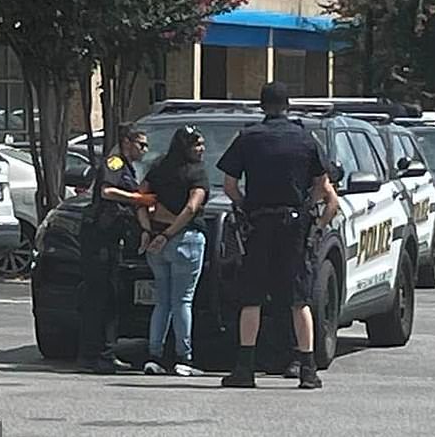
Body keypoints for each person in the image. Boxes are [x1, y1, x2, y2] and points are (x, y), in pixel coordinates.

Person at [216, 81, 338, 389]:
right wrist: (305, 208)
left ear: (262, 106)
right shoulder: (305, 139)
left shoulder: (247, 138)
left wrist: (246, 207)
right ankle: (307, 370)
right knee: (299, 299)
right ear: (288, 106)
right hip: (295, 226)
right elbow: (322, 187)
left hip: (259, 224)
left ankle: (245, 369)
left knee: (252, 297)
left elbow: (230, 186)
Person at [77, 123, 156, 374]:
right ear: (126, 142)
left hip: (111, 239)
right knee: (102, 297)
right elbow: (107, 191)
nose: (145, 149)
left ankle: (99, 353)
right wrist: (138, 199)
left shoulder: (129, 167)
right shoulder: (115, 163)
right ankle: (99, 355)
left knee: (106, 297)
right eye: (141, 144)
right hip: (100, 238)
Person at [137, 125, 209, 376]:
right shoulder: (196, 172)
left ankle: (153, 356)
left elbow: (140, 198)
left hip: (156, 241)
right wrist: (169, 234)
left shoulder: (158, 168)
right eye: (197, 144)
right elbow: (191, 208)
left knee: (162, 302)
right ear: (186, 147)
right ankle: (184, 359)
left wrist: (148, 230)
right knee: (182, 301)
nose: (202, 149)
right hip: (185, 240)